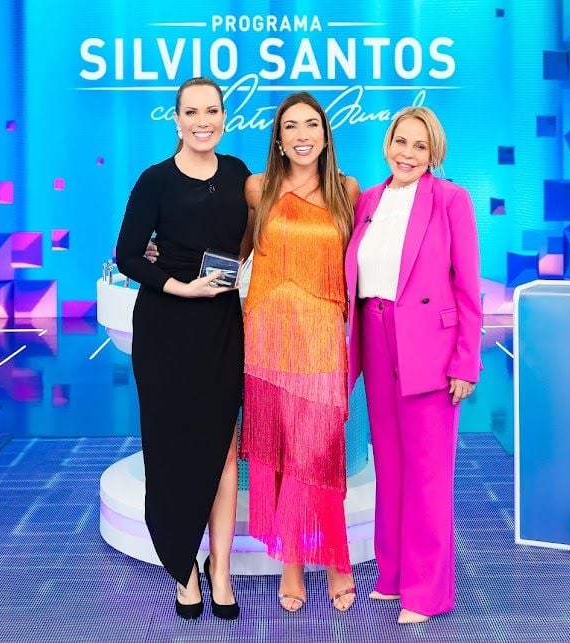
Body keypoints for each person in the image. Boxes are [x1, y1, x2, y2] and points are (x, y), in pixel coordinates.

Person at [115, 77, 248, 621]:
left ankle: (221, 570)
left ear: (224, 117)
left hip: (221, 328)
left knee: (223, 451)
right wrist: (179, 286)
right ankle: (183, 567)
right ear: (176, 120)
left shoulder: (238, 173)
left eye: (211, 111)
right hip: (166, 328)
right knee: (171, 449)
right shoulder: (155, 180)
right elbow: (127, 255)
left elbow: (250, 240)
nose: (202, 121)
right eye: (191, 112)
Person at [344, 106, 481, 624]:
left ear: (434, 154)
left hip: (430, 347)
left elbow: (468, 285)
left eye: (419, 146)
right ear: (388, 144)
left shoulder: (451, 200)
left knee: (428, 473)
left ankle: (427, 593)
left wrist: (465, 361)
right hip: (376, 336)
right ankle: (395, 574)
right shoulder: (369, 200)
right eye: (401, 142)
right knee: (390, 466)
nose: (407, 153)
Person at [239, 92, 361, 613]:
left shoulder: (347, 190)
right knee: (285, 454)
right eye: (291, 126)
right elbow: (236, 250)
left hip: (321, 339)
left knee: (320, 453)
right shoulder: (257, 188)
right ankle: (291, 561)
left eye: (312, 124)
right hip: (266, 340)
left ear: (326, 136)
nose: (302, 134)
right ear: (278, 138)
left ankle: (336, 558)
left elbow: (363, 261)